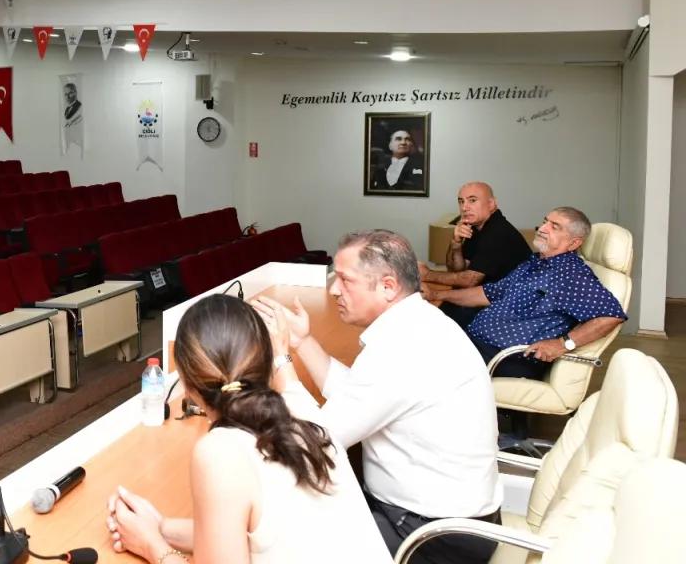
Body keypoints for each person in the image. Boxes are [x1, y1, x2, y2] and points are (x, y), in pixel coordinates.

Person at [252, 230, 501, 564]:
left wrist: (281, 357)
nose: (334, 289)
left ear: (387, 287)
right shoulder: (418, 323)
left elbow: (315, 441)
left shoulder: (401, 348)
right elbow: (357, 392)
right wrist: (303, 341)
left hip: (431, 536)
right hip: (443, 519)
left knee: (275, 540)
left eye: (345, 280)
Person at [105, 295, 390, 564]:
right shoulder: (302, 409)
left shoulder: (219, 451)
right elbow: (237, 532)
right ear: (267, 366)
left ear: (187, 385)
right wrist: (161, 527)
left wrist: (152, 545)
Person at [426, 208, 626, 437]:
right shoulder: (535, 262)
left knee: (422, 357)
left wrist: (563, 344)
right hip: (481, 342)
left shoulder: (572, 275)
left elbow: (612, 315)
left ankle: (431, 435)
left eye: (555, 227)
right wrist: (436, 294)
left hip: (506, 357)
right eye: (545, 222)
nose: (543, 228)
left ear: (574, 243)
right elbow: (488, 293)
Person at [419, 182, 532, 328]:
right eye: (461, 201)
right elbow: (456, 270)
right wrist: (455, 242)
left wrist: (427, 274)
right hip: (481, 295)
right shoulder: (477, 227)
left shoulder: (499, 232)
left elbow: (469, 280)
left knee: (430, 318)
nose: (464, 208)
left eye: (472, 200)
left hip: (508, 306)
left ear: (491, 204)